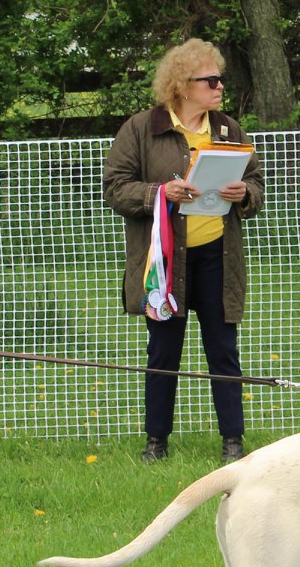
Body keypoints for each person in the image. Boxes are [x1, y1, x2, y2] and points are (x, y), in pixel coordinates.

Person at [103, 38, 264, 464]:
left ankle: (233, 444)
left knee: (224, 352)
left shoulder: (229, 129)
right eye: (210, 80)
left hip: (217, 257)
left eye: (220, 79)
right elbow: (114, 189)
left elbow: (257, 186)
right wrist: (160, 192)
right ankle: (156, 443)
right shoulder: (141, 129)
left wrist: (244, 191)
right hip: (166, 262)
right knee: (163, 353)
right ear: (182, 85)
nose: (219, 87)